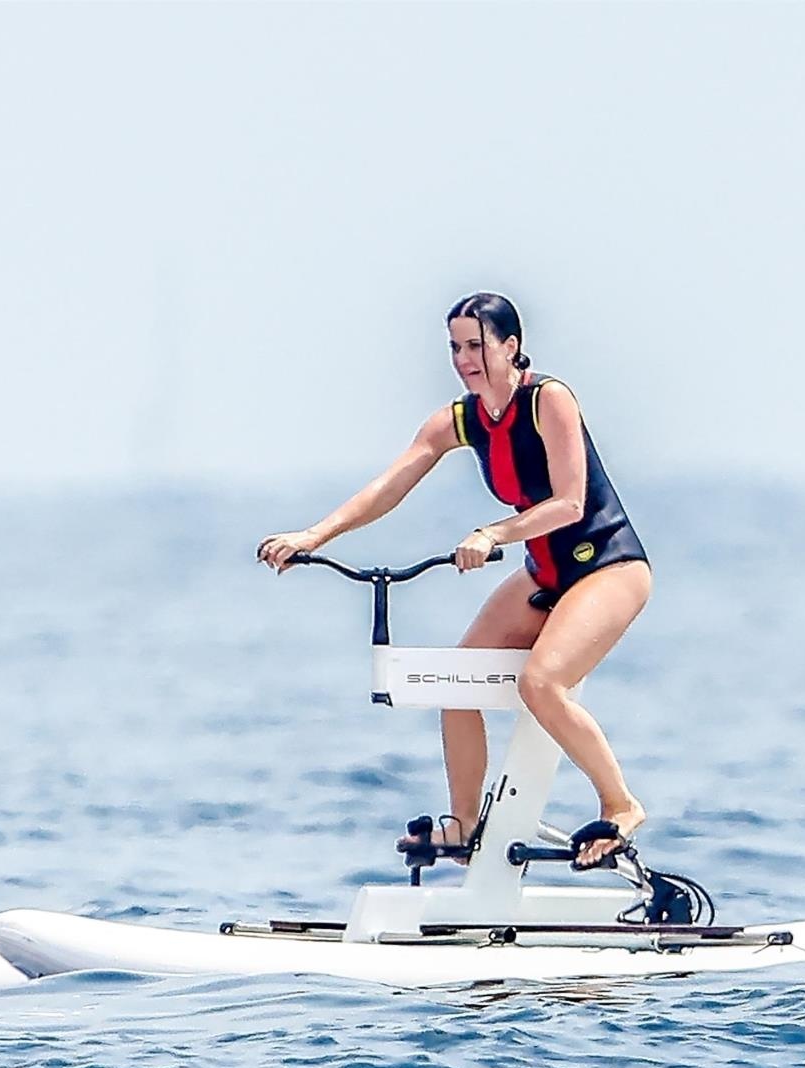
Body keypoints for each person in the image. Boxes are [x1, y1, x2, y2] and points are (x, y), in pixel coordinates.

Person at [257, 292, 651, 868]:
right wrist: (314, 537)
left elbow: (570, 503)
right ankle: (465, 826)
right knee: (453, 680)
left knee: (540, 684)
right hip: (544, 573)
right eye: (455, 347)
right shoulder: (460, 419)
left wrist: (492, 534)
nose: (465, 358)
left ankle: (620, 806)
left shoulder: (550, 400)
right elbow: (387, 486)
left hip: (607, 567)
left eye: (476, 345)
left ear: (510, 347)